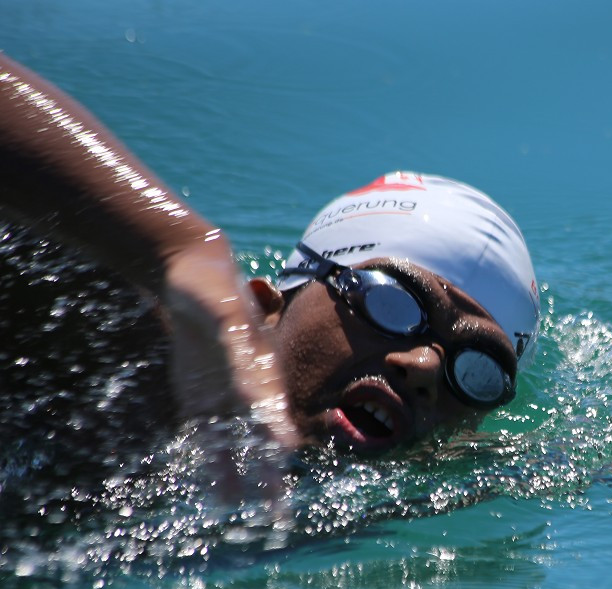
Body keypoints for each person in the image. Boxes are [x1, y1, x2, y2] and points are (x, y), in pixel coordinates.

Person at [0, 54, 540, 497]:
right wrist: (184, 254)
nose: (423, 365)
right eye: (393, 304)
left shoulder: (408, 506)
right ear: (264, 306)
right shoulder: (118, 358)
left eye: (476, 370)